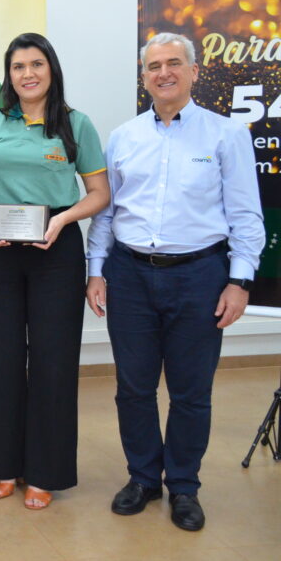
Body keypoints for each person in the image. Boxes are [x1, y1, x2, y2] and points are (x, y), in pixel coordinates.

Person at [86, 32, 264, 531]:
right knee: (133, 388)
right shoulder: (123, 136)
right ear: (143, 77)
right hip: (130, 275)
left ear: (193, 71)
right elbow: (106, 212)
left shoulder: (226, 134)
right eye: (153, 66)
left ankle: (183, 485)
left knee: (191, 392)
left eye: (173, 64)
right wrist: (96, 270)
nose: (163, 73)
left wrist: (239, 281)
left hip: (201, 277)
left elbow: (246, 216)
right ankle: (143, 477)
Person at [0, 32, 109, 510]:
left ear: (52, 70)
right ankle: (4, 467)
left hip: (56, 249)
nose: (27, 74)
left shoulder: (75, 124)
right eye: (18, 66)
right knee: (3, 358)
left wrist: (63, 219)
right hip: (1, 248)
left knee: (52, 361)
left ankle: (46, 472)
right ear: (8, 75)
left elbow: (98, 193)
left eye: (36, 65)